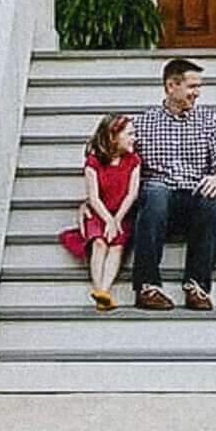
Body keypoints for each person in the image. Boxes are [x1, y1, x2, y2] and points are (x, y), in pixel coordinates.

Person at [126, 57, 216, 311]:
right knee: (155, 190)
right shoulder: (142, 123)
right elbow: (116, 157)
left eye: (199, 87)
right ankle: (147, 287)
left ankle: (196, 286)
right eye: (192, 87)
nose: (197, 93)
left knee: (212, 196)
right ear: (171, 86)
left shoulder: (212, 122)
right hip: (156, 202)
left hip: (194, 199)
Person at [62, 113, 142, 311]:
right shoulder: (94, 162)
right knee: (99, 243)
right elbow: (94, 197)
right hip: (99, 213)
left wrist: (117, 220)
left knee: (116, 246)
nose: (135, 138)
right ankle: (98, 288)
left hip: (122, 213)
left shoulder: (133, 160)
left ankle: (104, 290)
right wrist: (108, 220)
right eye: (130, 134)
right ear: (113, 137)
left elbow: (132, 194)